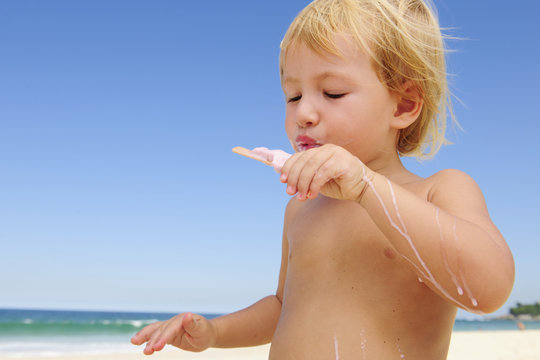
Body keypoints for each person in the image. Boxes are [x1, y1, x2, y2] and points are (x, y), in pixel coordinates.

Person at [131, 0, 515, 358]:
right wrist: (215, 334)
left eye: (332, 92)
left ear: (403, 105)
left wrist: (366, 187)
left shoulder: (438, 190)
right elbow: (284, 307)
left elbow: (488, 290)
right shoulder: (300, 211)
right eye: (293, 96)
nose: (304, 114)